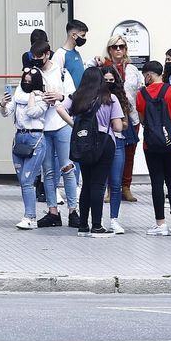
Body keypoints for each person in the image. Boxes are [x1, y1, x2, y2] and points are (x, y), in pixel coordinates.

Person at [69, 66, 124, 237]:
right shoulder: (110, 98)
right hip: (104, 142)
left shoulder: (78, 97)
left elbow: (60, 108)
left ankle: (83, 226)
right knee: (99, 185)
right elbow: (118, 127)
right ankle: (97, 225)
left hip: (84, 142)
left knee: (86, 183)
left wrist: (74, 125)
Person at [30, 40, 79, 228]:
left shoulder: (62, 72)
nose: (36, 61)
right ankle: (53, 212)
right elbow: (25, 94)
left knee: (68, 168)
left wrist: (59, 97)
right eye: (33, 58)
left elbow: (73, 96)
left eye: (39, 57)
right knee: (48, 172)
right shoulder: (32, 74)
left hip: (61, 124)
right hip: (41, 126)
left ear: (47, 54)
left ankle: (73, 211)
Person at [135, 60, 171, 235]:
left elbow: (142, 120)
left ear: (149, 75)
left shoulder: (141, 94)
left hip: (152, 144)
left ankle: (160, 224)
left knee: (157, 181)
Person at [3, 65, 52, 230]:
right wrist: (3, 104)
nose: (26, 83)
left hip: (35, 138)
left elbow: (32, 112)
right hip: (19, 137)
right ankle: (28, 215)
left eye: (30, 82)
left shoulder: (42, 98)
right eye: (25, 81)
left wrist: (32, 95)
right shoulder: (17, 95)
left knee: (27, 179)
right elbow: (6, 113)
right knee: (23, 181)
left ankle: (30, 217)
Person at [100, 37, 144, 206]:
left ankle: (126, 186)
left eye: (121, 46)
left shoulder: (133, 69)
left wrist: (142, 115)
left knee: (130, 153)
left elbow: (140, 91)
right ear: (109, 49)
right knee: (110, 152)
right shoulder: (103, 67)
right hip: (109, 115)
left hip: (131, 115)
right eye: (114, 47)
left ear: (126, 49)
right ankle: (111, 188)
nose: (118, 49)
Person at [96, 61, 134, 233]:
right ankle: (97, 219)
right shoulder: (94, 97)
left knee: (116, 183)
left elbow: (124, 123)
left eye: (112, 80)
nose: (109, 83)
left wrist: (116, 122)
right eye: (106, 80)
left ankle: (114, 219)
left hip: (117, 141)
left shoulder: (119, 98)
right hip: (100, 141)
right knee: (99, 183)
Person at [52, 20, 90, 95]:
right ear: (74, 35)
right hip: (68, 99)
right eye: (82, 35)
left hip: (80, 97)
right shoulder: (60, 54)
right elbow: (55, 80)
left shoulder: (77, 53)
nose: (84, 38)